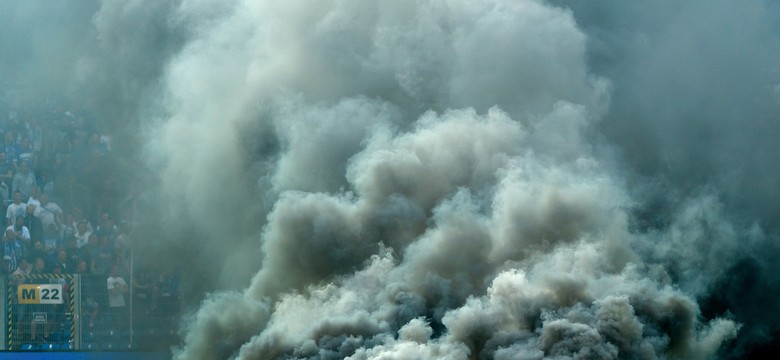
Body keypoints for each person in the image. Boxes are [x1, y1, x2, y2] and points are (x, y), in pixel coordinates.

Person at [106, 264, 128, 331]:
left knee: (123, 321)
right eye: (115, 269)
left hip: (122, 304)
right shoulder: (109, 280)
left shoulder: (121, 279)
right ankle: (113, 335)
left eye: (117, 269)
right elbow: (113, 293)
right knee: (114, 322)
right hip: (113, 305)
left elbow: (127, 290)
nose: (117, 271)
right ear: (112, 270)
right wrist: (121, 289)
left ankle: (121, 334)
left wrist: (117, 289)